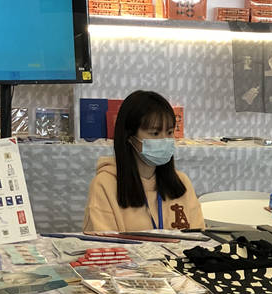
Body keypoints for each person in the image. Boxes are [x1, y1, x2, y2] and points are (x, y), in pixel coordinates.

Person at [82, 90, 204, 233]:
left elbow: (199, 239)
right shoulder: (105, 184)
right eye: (155, 133)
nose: (164, 140)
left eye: (170, 132)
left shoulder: (182, 182)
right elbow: (104, 247)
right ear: (130, 136)